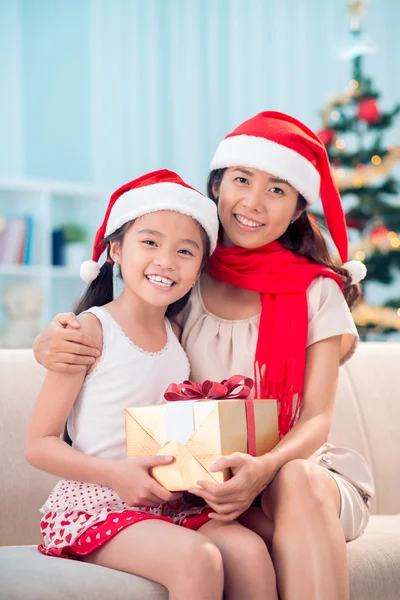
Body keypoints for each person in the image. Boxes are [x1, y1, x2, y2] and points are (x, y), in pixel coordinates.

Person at [33, 112, 373, 600]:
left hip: (301, 474)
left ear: (299, 209)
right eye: (241, 180)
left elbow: (318, 418)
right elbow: (117, 324)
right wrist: (53, 341)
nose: (253, 202)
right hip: (208, 485)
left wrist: (264, 467)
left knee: (294, 478)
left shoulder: (317, 292)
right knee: (240, 549)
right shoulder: (184, 275)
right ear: (217, 186)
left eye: (277, 190)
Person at [26, 169, 277, 600]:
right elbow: (38, 444)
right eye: (150, 242)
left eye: (185, 250)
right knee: (198, 557)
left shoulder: (179, 338)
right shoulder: (89, 331)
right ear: (116, 250)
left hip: (166, 504)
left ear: (200, 268)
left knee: (251, 550)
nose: (166, 260)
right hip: (95, 504)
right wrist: (115, 474)